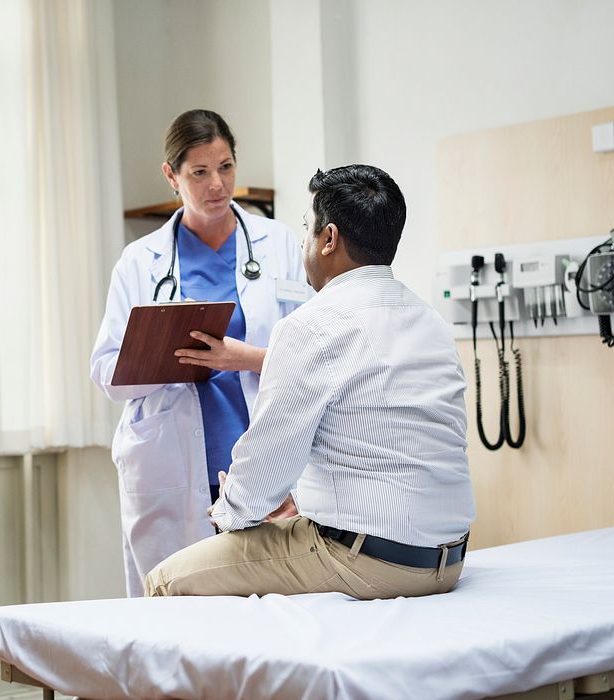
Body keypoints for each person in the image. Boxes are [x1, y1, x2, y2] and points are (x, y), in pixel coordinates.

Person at [145, 164, 476, 600]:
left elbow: (263, 467)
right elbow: (386, 443)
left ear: (329, 239)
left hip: (367, 562)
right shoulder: (431, 321)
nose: (304, 241)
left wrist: (230, 510)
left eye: (307, 228)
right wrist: (296, 501)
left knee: (164, 582)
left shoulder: (311, 326)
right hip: (446, 561)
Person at [90, 110, 307, 597]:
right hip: (172, 463)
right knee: (176, 618)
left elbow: (312, 354)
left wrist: (241, 358)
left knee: (267, 615)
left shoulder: (279, 245)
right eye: (200, 172)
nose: (217, 184)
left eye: (226, 167)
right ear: (172, 175)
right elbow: (105, 369)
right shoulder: (139, 261)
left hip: (257, 459)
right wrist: (162, 353)